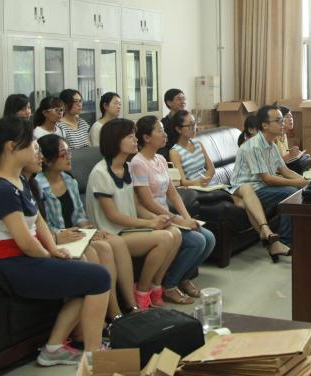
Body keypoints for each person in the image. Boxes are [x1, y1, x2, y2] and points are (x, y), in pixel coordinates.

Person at [0, 117, 110, 366]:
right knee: (100, 278)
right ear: (11, 147)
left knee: (85, 276)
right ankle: (93, 353)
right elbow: (25, 242)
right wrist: (49, 257)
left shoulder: (20, 180)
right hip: (10, 265)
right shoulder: (0, 189)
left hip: (25, 258)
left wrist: (54, 249)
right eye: (32, 144)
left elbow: (38, 221)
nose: (36, 150)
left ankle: (53, 348)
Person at [35, 135, 136, 319]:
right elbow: (42, 224)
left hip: (76, 234)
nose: (69, 157)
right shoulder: (38, 186)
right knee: (103, 249)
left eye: (69, 152)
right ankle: (113, 313)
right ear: (47, 161)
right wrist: (60, 235)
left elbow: (79, 215)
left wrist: (90, 229)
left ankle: (130, 306)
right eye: (63, 154)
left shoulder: (70, 181)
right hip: (57, 239)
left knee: (116, 242)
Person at [85, 119, 180, 310]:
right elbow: (113, 216)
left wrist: (156, 219)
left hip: (128, 229)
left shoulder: (127, 167)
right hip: (112, 233)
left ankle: (155, 286)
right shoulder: (100, 173)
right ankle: (142, 291)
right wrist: (149, 224)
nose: (135, 140)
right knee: (164, 238)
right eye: (130, 137)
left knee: (175, 233)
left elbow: (135, 205)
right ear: (115, 141)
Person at [168, 110, 289, 261]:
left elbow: (211, 169)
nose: (194, 128)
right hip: (196, 190)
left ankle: (269, 237)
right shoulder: (175, 152)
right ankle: (270, 239)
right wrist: (199, 182)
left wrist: (207, 177)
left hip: (213, 186)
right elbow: (182, 181)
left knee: (246, 196)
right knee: (246, 199)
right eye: (190, 125)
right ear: (178, 129)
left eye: (195, 124)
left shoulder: (198, 144)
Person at [132, 115, 215, 304]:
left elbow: (173, 193)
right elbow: (147, 202)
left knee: (209, 238)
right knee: (197, 242)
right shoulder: (138, 163)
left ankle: (183, 278)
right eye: (159, 131)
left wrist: (187, 218)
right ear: (146, 137)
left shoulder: (160, 159)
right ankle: (169, 286)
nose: (165, 134)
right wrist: (177, 220)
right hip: (153, 218)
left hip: (168, 215)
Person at [233, 105, 310, 249]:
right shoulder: (254, 146)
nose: (283, 123)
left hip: (262, 186)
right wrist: (298, 183)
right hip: (250, 188)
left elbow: (285, 170)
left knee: (301, 189)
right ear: (265, 125)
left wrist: (305, 181)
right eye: (279, 120)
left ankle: (298, 234)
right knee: (290, 193)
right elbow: (267, 178)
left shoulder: (271, 145)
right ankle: (285, 241)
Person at [275, 105, 311, 173]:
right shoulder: (274, 137)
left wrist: (295, 155)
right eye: (287, 117)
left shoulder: (284, 135)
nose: (290, 119)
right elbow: (272, 164)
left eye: (291, 116)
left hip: (284, 169)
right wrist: (290, 155)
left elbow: (285, 158)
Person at [159, 88, 186, 159]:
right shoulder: (164, 123)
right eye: (179, 99)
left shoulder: (187, 119)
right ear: (169, 103)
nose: (183, 101)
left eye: (183, 98)